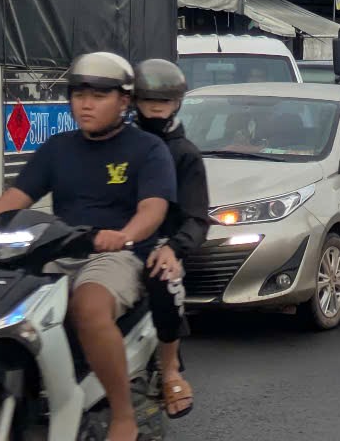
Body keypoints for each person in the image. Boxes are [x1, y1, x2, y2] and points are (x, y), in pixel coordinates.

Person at [0, 52, 175, 441]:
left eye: (98, 94)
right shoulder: (57, 148)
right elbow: (16, 198)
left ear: (124, 101)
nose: (85, 103)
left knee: (89, 306)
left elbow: (154, 207)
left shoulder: (148, 150)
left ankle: (122, 415)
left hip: (115, 255)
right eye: (78, 93)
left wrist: (125, 234)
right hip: (56, 249)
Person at [133, 59, 209, 420]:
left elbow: (196, 218)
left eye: (165, 98)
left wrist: (173, 248)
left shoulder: (184, 154)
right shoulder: (120, 144)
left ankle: (170, 368)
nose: (157, 104)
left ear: (177, 101)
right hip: (115, 240)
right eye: (149, 97)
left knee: (163, 277)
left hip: (163, 244)